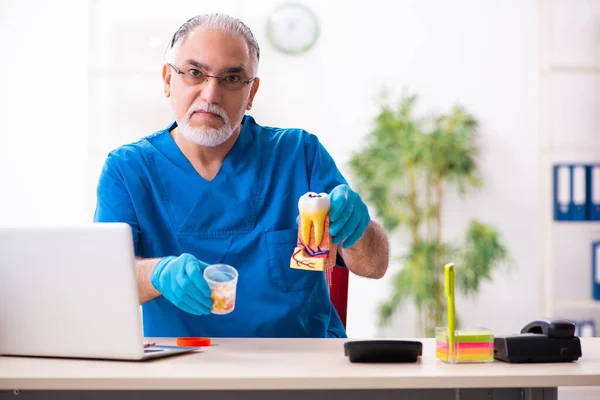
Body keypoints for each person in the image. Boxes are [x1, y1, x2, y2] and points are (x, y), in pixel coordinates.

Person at [94, 13, 390, 338]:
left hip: (301, 366)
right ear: (168, 79)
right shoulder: (129, 170)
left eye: (232, 79)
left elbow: (374, 266)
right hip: (181, 367)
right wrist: (156, 273)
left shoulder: (297, 154)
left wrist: (359, 230)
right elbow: (104, 283)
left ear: (251, 93)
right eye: (195, 73)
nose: (210, 94)